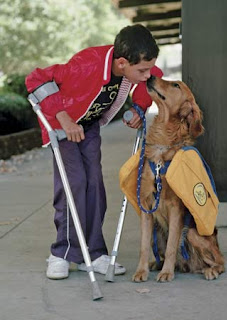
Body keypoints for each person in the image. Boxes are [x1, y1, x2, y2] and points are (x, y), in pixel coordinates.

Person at [25, 24, 163, 280]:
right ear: (122, 63)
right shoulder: (86, 63)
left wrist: (139, 109)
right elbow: (37, 78)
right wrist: (65, 120)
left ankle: (95, 253)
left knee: (94, 186)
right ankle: (62, 253)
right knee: (73, 184)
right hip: (62, 126)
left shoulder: (137, 66)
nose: (146, 75)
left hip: (89, 127)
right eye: (141, 70)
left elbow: (152, 78)